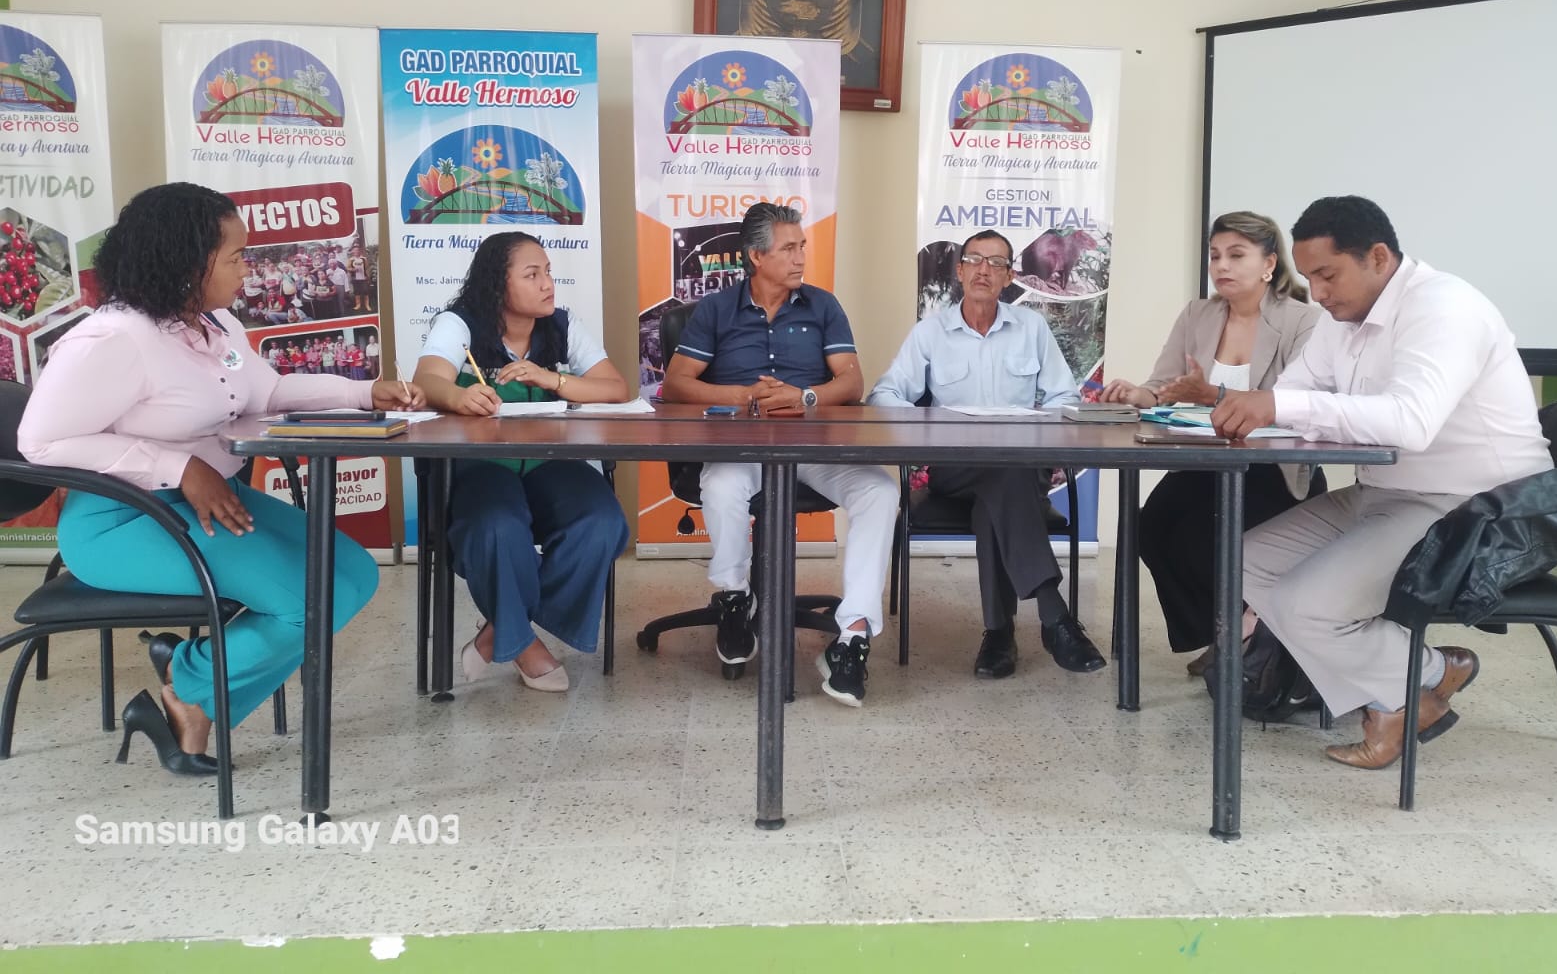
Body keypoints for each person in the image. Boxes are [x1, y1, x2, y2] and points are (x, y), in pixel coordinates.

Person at [16, 183, 424, 776]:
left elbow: (269, 392)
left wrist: (364, 393)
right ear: (186, 261)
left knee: (353, 574)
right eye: (235, 256)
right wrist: (179, 467)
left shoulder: (216, 325)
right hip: (125, 521)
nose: (247, 268)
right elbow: (41, 442)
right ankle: (188, 694)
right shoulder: (113, 340)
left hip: (210, 501)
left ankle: (189, 674)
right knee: (309, 601)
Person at [1209, 196, 1551, 769]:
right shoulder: (1342, 317)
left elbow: (1410, 422)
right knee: (1243, 561)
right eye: (1310, 276)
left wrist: (1281, 406)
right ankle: (1420, 683)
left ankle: (1405, 693)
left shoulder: (1445, 308)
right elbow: (1296, 392)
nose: (1317, 292)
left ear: (1377, 257)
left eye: (1327, 274)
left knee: (1303, 605)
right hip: (1387, 490)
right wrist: (1272, 408)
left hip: (1478, 505)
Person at [662, 202, 898, 708]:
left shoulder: (823, 306)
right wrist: (742, 395)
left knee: (879, 489)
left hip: (814, 444)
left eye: (802, 246)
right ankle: (734, 598)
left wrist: (804, 396)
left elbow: (851, 382)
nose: (800, 258)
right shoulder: (716, 310)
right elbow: (676, 384)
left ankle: (852, 636)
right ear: (756, 257)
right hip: (740, 443)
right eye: (789, 248)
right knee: (721, 486)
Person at [868, 229, 1105, 678]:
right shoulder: (931, 332)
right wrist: (929, 423)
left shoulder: (1031, 328)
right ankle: (1054, 617)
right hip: (954, 469)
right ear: (959, 271)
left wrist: (1036, 425)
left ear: (1010, 276)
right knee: (1002, 478)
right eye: (975, 260)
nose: (984, 270)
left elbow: (1064, 399)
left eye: (996, 263)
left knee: (999, 488)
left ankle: (999, 635)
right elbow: (885, 395)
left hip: (1022, 468)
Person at [1102, 211, 1323, 670]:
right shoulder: (1198, 314)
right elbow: (1164, 385)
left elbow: (1292, 404)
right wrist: (1138, 394)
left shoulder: (1303, 320)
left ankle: (1244, 632)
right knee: (1153, 528)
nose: (1221, 266)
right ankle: (1224, 632)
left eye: (1236, 255)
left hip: (1273, 468)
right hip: (1207, 459)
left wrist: (1212, 395)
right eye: (1215, 255)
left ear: (1269, 264)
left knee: (1209, 537)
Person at [412, 232, 630, 693]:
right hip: (483, 464)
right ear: (498, 284)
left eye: (548, 272)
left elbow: (615, 388)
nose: (548, 283)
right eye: (532, 275)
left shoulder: (562, 326)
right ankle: (524, 643)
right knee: (496, 526)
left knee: (603, 521)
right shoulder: (461, 324)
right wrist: (459, 396)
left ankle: (502, 630)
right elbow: (427, 380)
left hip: (551, 460)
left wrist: (552, 379)